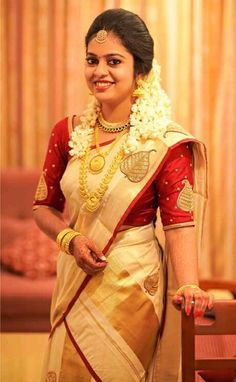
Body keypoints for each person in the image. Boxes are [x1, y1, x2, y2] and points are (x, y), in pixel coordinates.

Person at [33, 8, 213, 382]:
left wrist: (190, 283)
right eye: (92, 60)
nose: (100, 71)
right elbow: (43, 209)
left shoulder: (165, 142)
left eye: (114, 61)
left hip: (133, 288)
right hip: (74, 277)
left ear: (141, 72)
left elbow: (179, 223)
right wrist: (70, 239)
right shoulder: (67, 132)